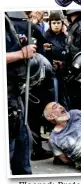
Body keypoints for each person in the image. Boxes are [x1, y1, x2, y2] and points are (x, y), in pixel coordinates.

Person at [5, 12, 36, 175]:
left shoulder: (7, 19)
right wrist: (21, 53)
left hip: (15, 95)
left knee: (23, 147)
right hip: (6, 97)